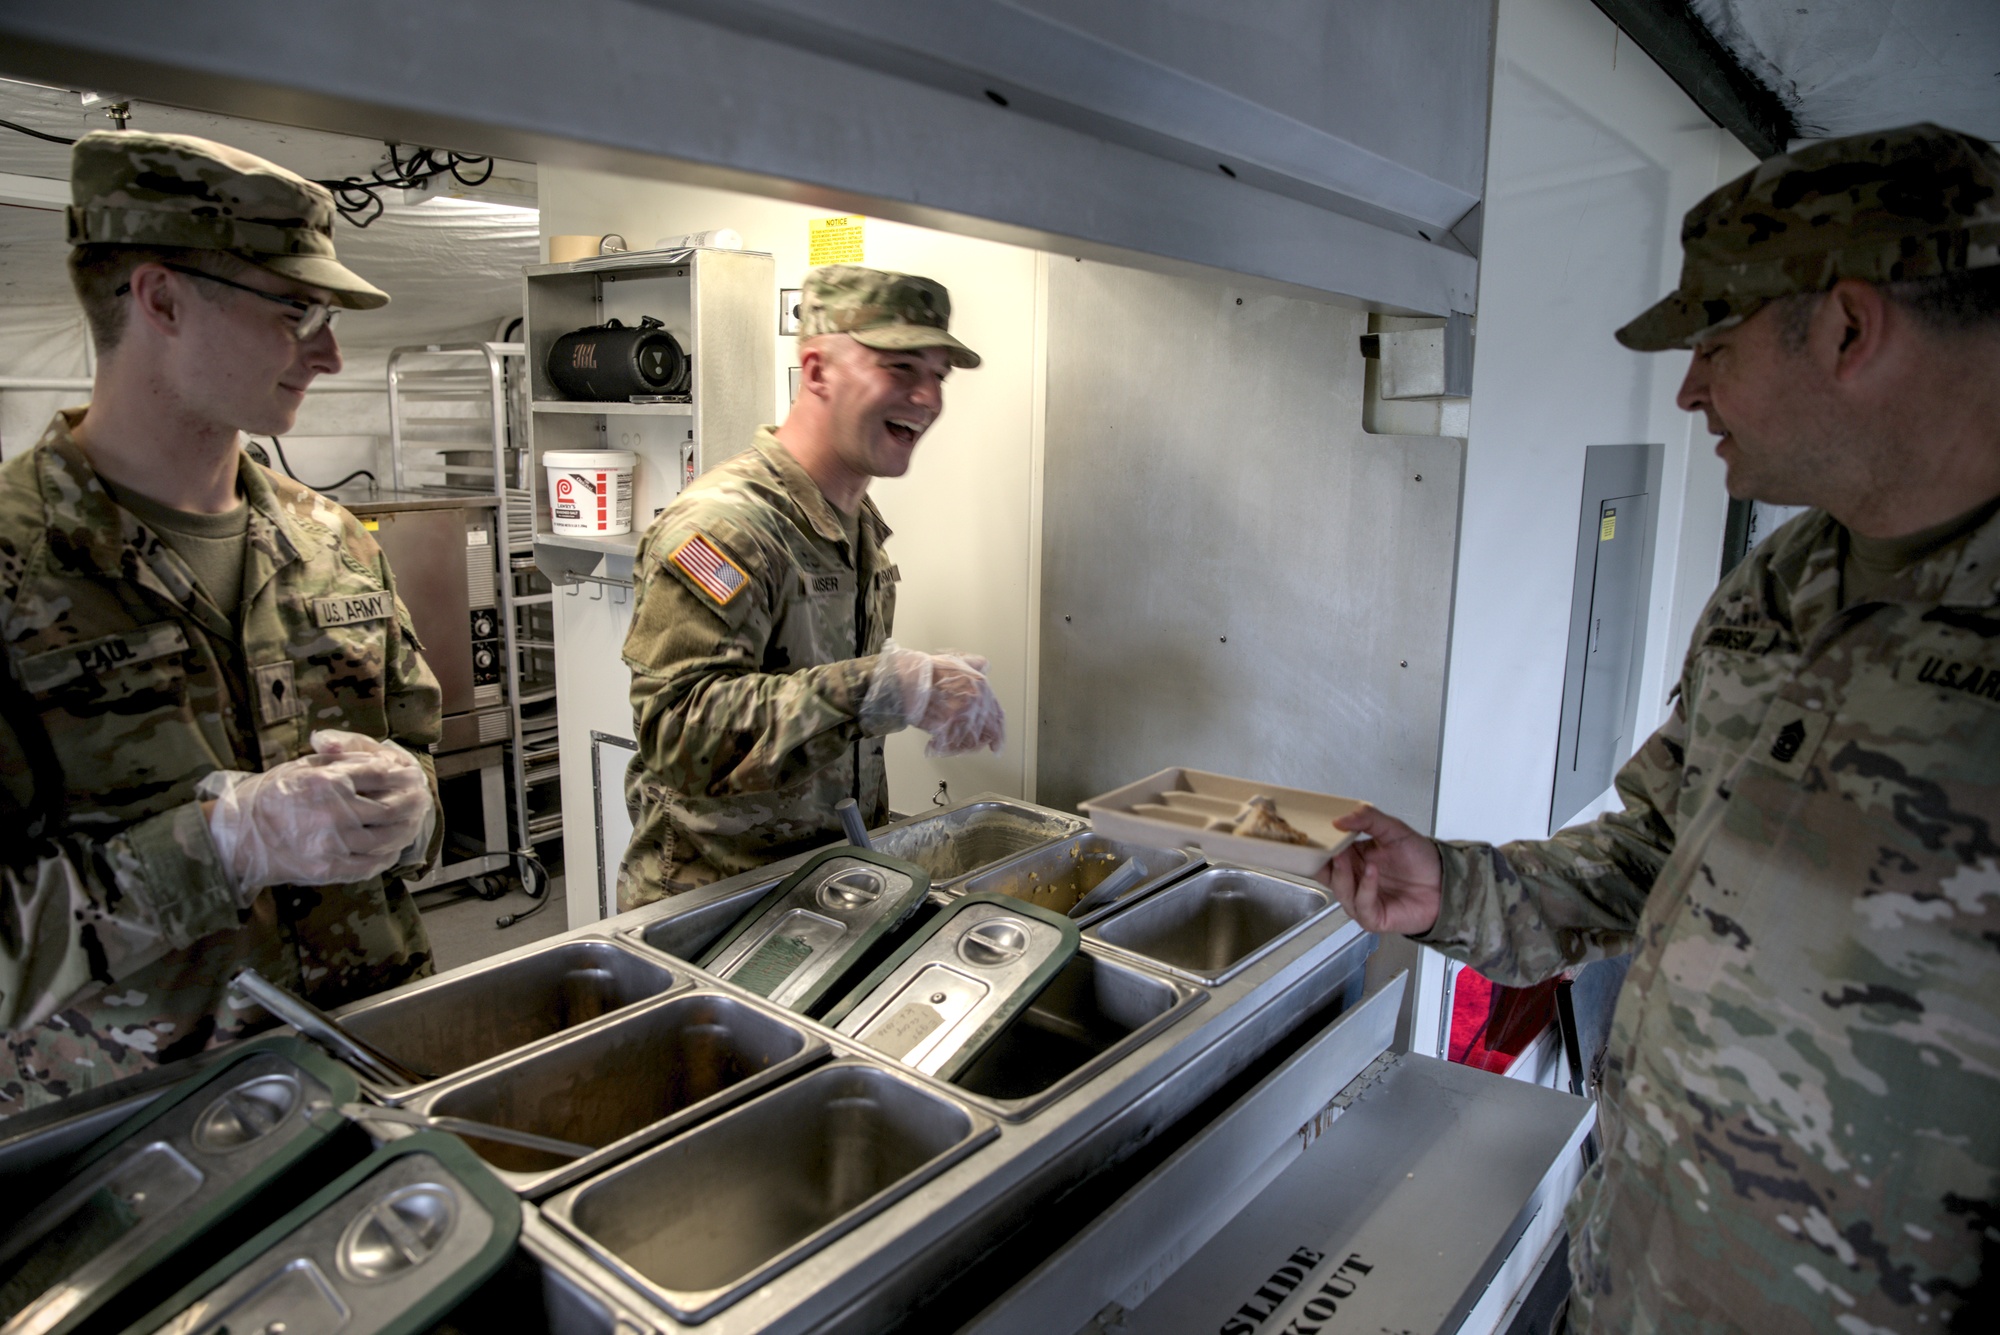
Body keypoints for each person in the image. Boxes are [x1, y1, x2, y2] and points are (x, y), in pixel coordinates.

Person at [1327, 122, 2000, 1331]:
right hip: (1647, 1272)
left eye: (1714, 343)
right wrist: (1454, 891)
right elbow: (1653, 854)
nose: (1688, 387)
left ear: (1847, 329)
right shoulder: (1783, 583)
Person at [0, 131, 444, 1118]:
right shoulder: (14, 568)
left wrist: (412, 813)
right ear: (159, 299)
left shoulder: (333, 541)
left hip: (375, 1078)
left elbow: (419, 774)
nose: (328, 354)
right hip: (141, 1140)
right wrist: (221, 847)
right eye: (295, 311)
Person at [619, 265, 1005, 906]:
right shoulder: (727, 527)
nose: (929, 397)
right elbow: (676, 733)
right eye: (901, 367)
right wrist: (879, 689)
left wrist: (919, 686)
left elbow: (801, 678)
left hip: (824, 883)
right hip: (716, 900)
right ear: (819, 371)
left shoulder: (854, 526)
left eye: (938, 374)